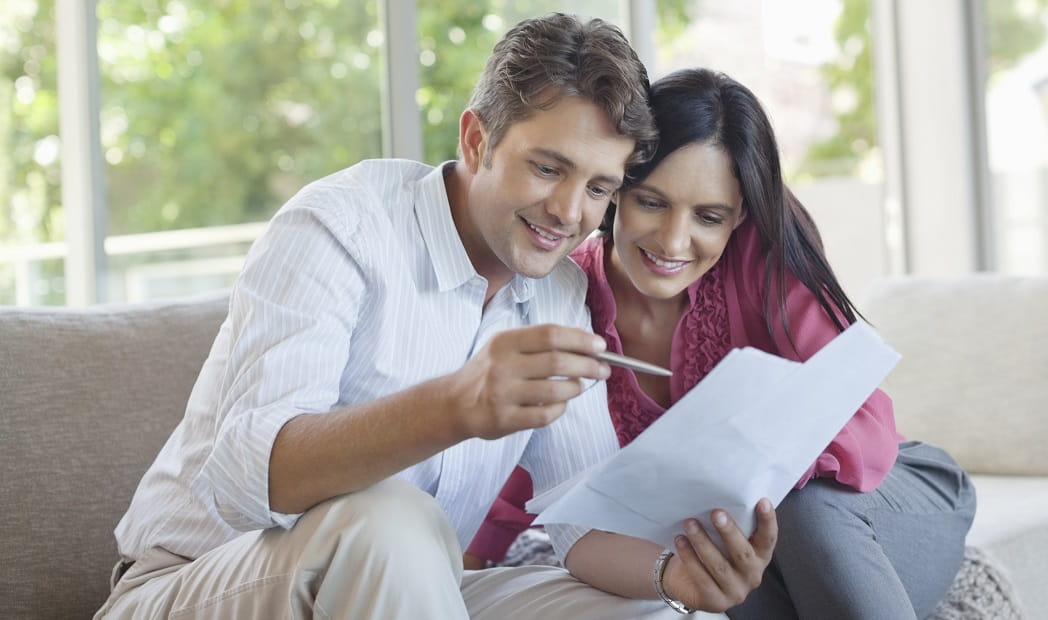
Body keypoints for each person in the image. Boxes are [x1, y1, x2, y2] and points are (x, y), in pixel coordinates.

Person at [96, 16, 779, 620]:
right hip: (200, 584)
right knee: (389, 520)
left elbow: (580, 517)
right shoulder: (339, 227)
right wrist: (456, 405)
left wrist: (672, 574)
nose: (570, 213)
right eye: (548, 168)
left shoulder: (559, 292)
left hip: (412, 588)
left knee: (660, 613)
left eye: (599, 187)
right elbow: (250, 481)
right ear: (477, 141)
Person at [466, 68, 977, 620]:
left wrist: (740, 475)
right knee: (709, 569)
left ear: (738, 218)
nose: (673, 241)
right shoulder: (565, 297)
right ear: (617, 190)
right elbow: (528, 463)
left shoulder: (765, 256)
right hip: (737, 537)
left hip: (877, 496)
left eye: (709, 217)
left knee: (795, 512)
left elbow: (860, 429)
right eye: (652, 203)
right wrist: (456, 572)